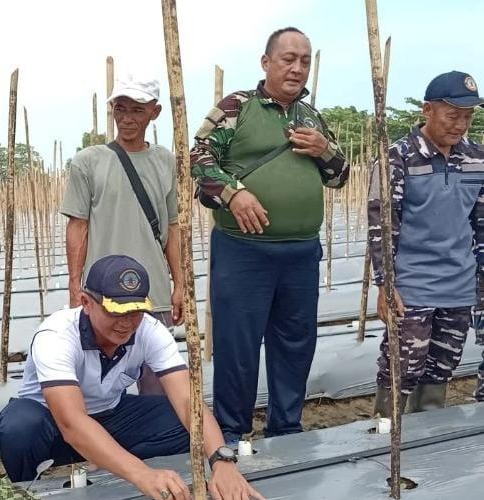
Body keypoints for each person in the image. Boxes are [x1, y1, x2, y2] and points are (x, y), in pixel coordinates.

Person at [0, 255, 266, 500]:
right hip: (52, 426)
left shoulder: (150, 331)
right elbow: (72, 423)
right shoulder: (56, 336)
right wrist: (142, 474)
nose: (126, 322)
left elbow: (188, 401)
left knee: (186, 422)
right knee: (19, 427)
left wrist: (221, 460)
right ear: (86, 303)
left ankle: (116, 465)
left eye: (135, 312)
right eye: (115, 312)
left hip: (111, 415)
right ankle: (25, 496)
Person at [190, 27, 350, 443]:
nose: (297, 68)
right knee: (238, 343)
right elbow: (198, 158)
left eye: (305, 61)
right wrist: (234, 193)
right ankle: (231, 432)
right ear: (266, 62)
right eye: (288, 59)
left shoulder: (312, 117)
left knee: (296, 342)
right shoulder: (237, 107)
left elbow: (340, 177)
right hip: (244, 251)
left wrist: (324, 150)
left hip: (301, 252)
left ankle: (287, 428)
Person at [369, 71, 484, 415]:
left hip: (458, 286)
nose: (460, 125)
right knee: (401, 368)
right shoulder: (398, 158)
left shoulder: (477, 159)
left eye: (467, 116)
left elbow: (480, 227)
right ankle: (386, 434)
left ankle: (428, 437)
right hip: (412, 287)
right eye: (452, 115)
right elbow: (382, 226)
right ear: (428, 110)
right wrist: (385, 284)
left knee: (441, 369)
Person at [62, 73, 183, 395]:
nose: (127, 119)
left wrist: (180, 284)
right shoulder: (88, 162)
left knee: (158, 386)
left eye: (137, 110)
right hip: (102, 296)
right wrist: (75, 285)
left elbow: (172, 227)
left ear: (155, 112)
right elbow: (78, 225)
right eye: (120, 109)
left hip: (152, 294)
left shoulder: (165, 161)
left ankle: (156, 428)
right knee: (94, 385)